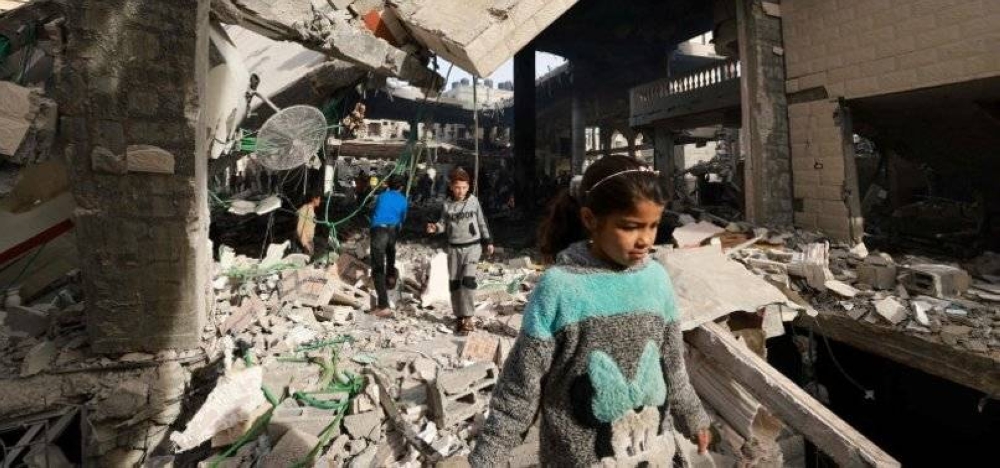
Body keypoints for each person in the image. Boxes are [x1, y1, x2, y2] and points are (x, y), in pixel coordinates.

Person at [469, 155, 711, 466]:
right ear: (590, 219)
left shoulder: (657, 280)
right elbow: (521, 385)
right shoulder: (559, 288)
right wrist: (489, 455)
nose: (645, 240)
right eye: (630, 226)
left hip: (652, 453)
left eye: (653, 226)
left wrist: (692, 415)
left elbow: (672, 365)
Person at [426, 168, 494, 335]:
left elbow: (481, 222)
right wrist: (435, 228)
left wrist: (488, 241)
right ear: (451, 187)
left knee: (468, 281)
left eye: (464, 187)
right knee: (455, 283)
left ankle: (468, 317)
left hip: (473, 247)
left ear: (468, 187)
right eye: (457, 187)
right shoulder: (447, 205)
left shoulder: (473, 202)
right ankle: (459, 317)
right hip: (454, 249)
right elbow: (443, 224)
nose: (461, 191)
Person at [369, 175, 408, 318]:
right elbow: (403, 218)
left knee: (378, 267)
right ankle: (391, 277)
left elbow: (374, 211)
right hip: (393, 230)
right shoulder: (403, 200)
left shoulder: (382, 196)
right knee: (391, 252)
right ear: (401, 187)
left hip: (379, 229)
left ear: (388, 185)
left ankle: (383, 305)